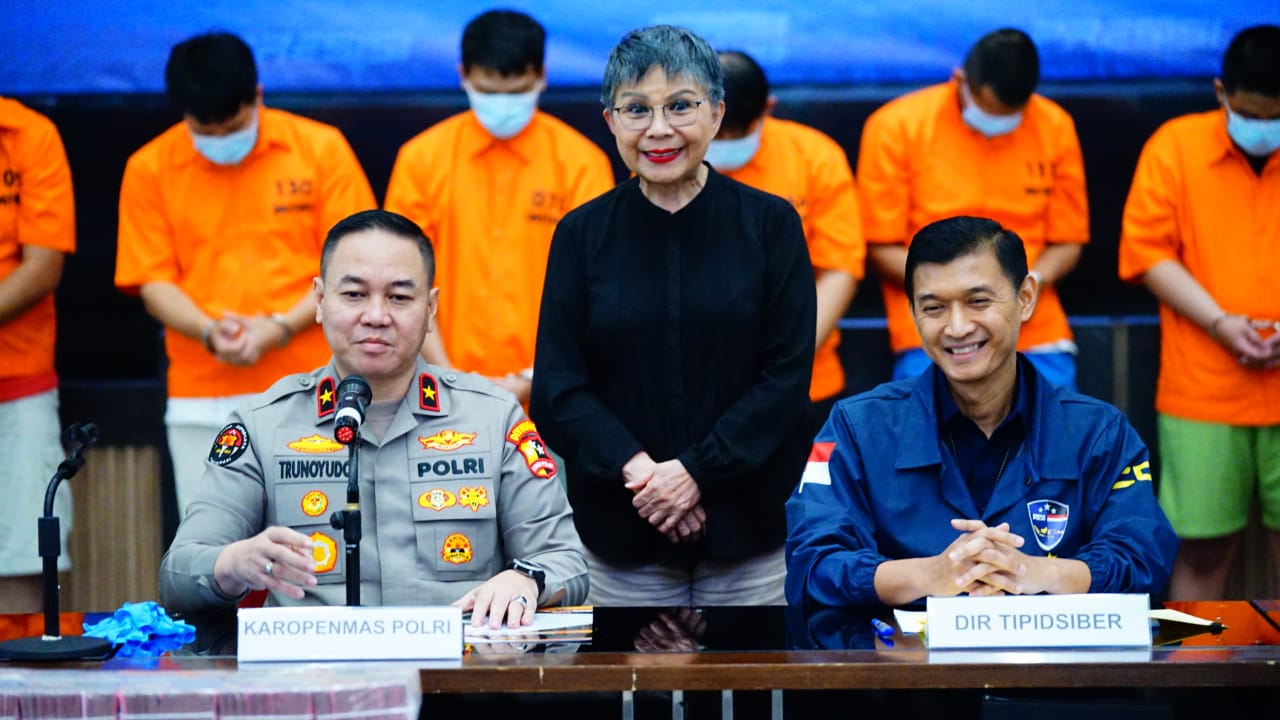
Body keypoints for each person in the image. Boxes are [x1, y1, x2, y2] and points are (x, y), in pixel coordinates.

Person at [159, 209, 587, 628]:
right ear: (320, 301)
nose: (377, 316)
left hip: (460, 666)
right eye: (354, 295)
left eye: (399, 297)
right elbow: (178, 572)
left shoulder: (492, 417)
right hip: (315, 669)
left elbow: (565, 560)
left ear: (430, 308)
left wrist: (526, 579)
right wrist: (233, 563)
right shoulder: (263, 424)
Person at [530, 25, 816, 606]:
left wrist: (695, 474)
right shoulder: (581, 234)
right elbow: (559, 389)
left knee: (758, 669)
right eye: (637, 109)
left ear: (716, 113)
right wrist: (645, 474)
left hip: (749, 541)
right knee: (630, 672)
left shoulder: (770, 225)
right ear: (610, 122)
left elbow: (785, 380)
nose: (659, 129)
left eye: (680, 106)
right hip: (621, 538)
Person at [785, 216, 1177, 609]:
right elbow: (811, 561)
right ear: (913, 312)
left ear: (1026, 297)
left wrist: (1036, 573)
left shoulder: (1098, 433)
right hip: (901, 649)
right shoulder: (857, 428)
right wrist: (930, 575)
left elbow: (1146, 556)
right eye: (934, 307)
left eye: (978, 302)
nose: (957, 328)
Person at [115, 32, 377, 516]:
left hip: (314, 384)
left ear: (257, 94)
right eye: (204, 130)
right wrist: (210, 331)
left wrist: (279, 327)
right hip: (202, 393)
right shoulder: (149, 168)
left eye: (231, 126)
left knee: (319, 534)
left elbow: (356, 265)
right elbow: (151, 280)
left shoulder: (320, 149)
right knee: (212, 536)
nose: (219, 140)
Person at [1118, 24, 1280, 600]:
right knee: (1200, 550)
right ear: (1220, 92)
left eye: (1275, 117)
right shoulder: (1175, 145)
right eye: (1250, 114)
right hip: (1203, 388)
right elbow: (1145, 252)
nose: (1263, 127)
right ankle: (1193, 662)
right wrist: (1218, 321)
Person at [384, 9, 614, 407]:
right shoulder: (421, 159)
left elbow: (600, 286)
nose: (503, 104)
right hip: (440, 390)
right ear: (464, 75)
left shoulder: (581, 164)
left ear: (541, 76)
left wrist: (534, 376)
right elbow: (400, 280)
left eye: (517, 90)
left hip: (553, 393)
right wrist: (449, 376)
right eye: (489, 91)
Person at [857, 28, 1088, 390]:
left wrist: (1026, 285)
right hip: (935, 326)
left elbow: (1068, 241)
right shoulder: (896, 126)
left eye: (1011, 115)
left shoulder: (1054, 125)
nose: (998, 122)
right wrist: (955, 291)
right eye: (987, 110)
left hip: (1029, 323)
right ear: (960, 79)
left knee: (1059, 418)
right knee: (925, 416)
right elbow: (880, 246)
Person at [709, 50, 864, 422]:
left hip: (803, 381)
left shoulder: (814, 156)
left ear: (769, 108)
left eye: (739, 133)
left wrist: (789, 358)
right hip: (702, 387)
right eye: (715, 131)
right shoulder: (665, 161)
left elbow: (840, 269)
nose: (726, 142)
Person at [0, 96, 76, 612]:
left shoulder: (30, 134)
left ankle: (25, 664)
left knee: (25, 559)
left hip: (17, 385)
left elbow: (43, 266)